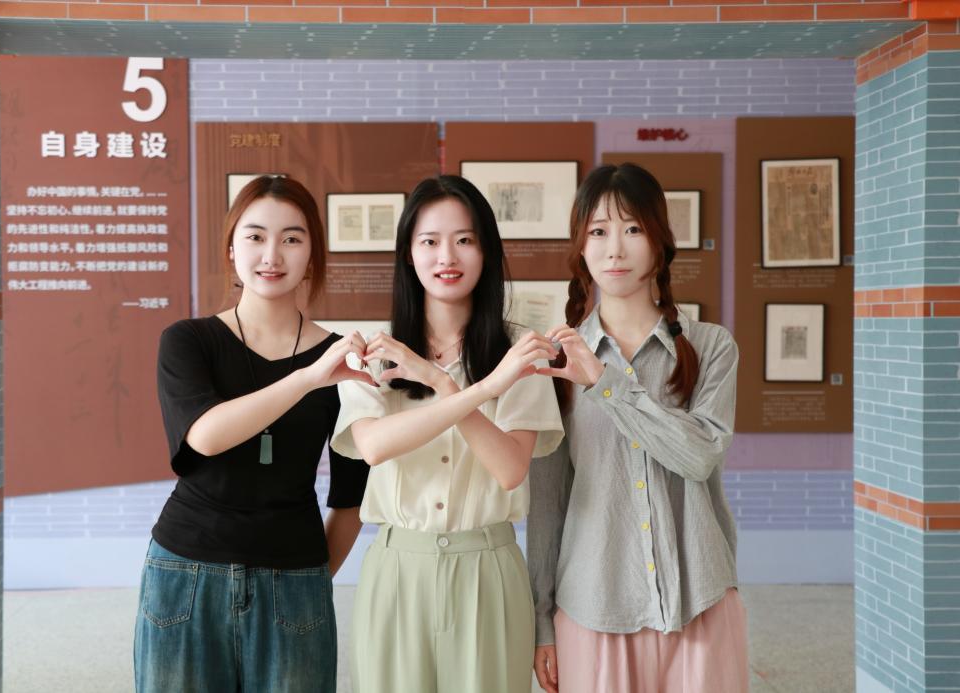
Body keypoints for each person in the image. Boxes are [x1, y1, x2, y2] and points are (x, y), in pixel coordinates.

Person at [134, 176, 372, 692]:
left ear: (313, 254)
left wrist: (307, 581)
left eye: (292, 238)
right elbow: (205, 436)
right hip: (186, 573)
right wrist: (308, 378)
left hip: (295, 578)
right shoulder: (188, 340)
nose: (271, 255)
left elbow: (352, 498)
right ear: (231, 248)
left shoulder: (343, 360)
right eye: (256, 236)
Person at [330, 175, 564, 693]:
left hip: (488, 569)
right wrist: (484, 391)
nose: (446, 257)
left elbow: (510, 469)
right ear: (408, 254)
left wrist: (440, 383)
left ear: (486, 251)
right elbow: (374, 446)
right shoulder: (373, 353)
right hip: (397, 570)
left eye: (464, 240)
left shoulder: (522, 351)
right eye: (430, 241)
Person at [529, 163, 747, 693]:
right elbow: (548, 502)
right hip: (594, 604)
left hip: (698, 599)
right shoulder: (557, 360)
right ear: (581, 246)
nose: (615, 249)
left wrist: (605, 383)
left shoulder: (711, 346)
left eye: (632, 229)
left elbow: (699, 455)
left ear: (659, 240)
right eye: (598, 231)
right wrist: (541, 623)